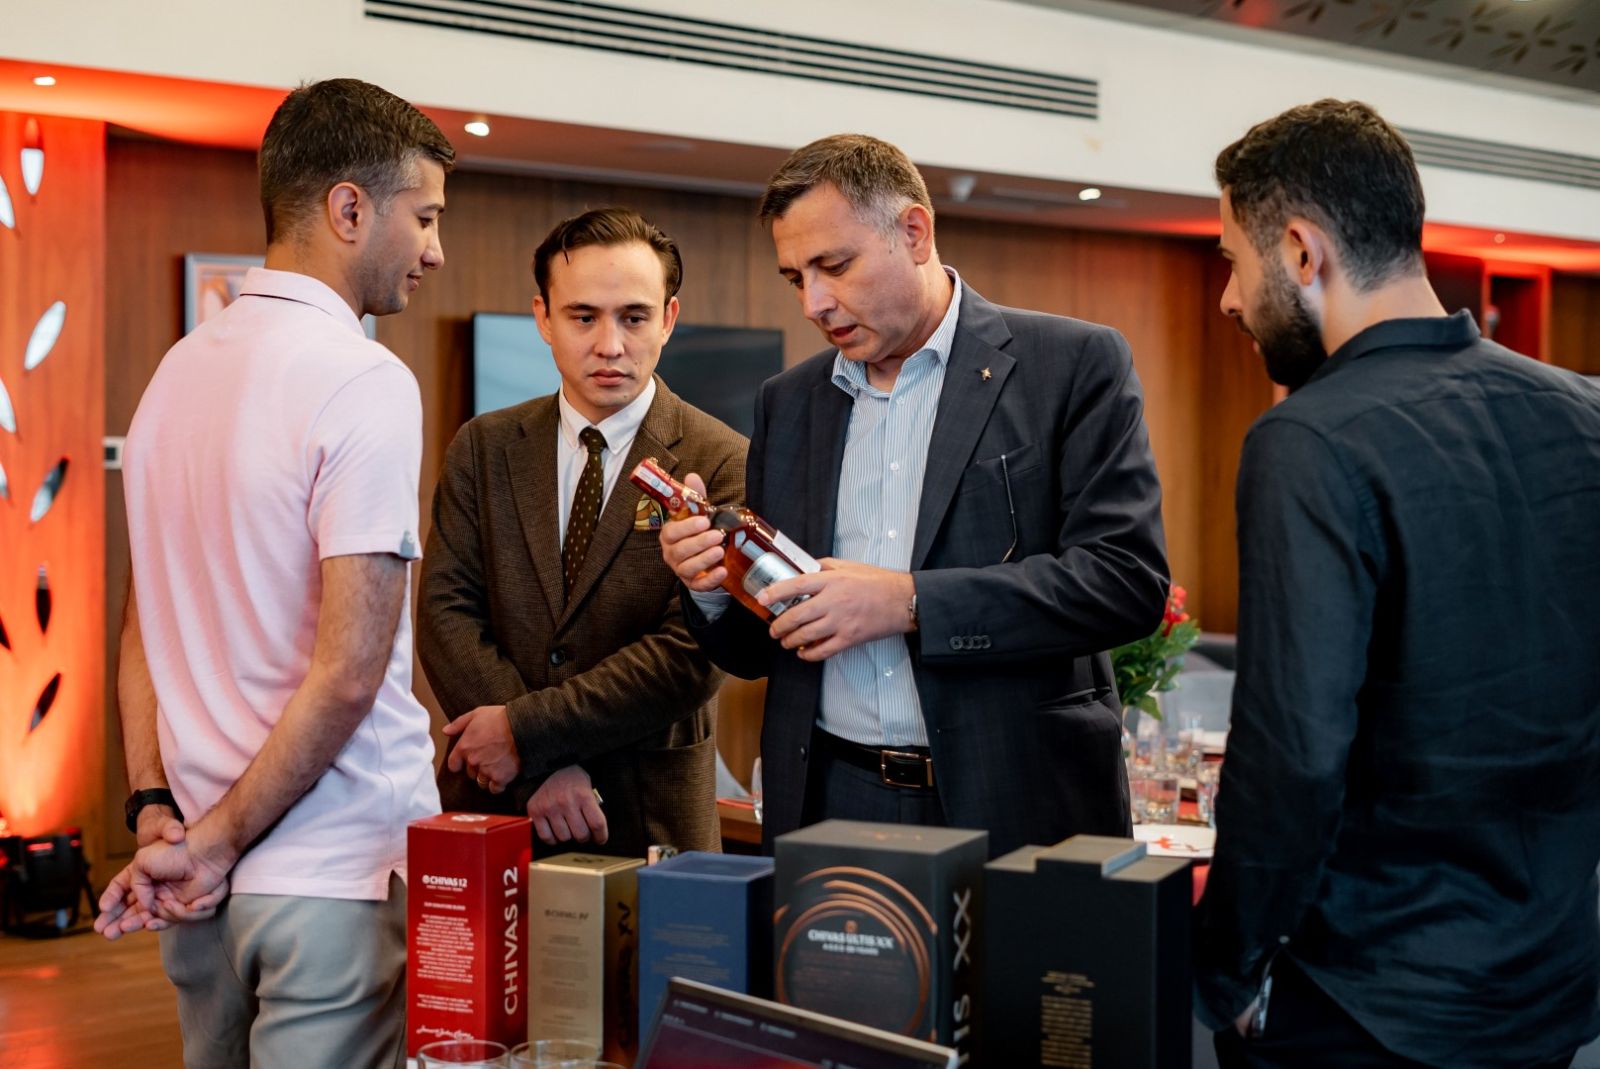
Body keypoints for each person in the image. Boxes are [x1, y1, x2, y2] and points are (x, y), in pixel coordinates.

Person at [1195, 99, 1600, 1069]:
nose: (1228, 299)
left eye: (1232, 262)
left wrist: (1228, 971)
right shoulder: (1584, 412)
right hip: (1548, 990)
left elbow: (1291, 755)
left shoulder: (1306, 438)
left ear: (1302, 251)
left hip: (1365, 1001)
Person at [659, 134, 1168, 858]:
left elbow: (1125, 582)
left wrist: (909, 603)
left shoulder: (1071, 364)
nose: (814, 303)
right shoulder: (789, 403)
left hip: (1017, 799)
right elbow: (760, 646)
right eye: (795, 277)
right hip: (828, 800)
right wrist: (713, 584)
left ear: (915, 232)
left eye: (836, 266)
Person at [94, 78, 452, 1068]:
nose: (434, 249)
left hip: (197, 876)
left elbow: (141, 626)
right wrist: (206, 840)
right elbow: (349, 671)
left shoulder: (175, 371)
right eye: (424, 217)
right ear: (349, 208)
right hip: (332, 877)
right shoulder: (366, 377)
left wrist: (156, 809)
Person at [418, 207, 746, 858]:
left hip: (647, 820)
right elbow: (445, 615)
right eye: (583, 317)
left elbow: (691, 652)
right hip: (495, 808)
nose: (610, 345)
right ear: (543, 318)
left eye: (634, 317)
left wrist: (526, 734)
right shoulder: (483, 447)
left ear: (668, 319)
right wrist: (538, 768)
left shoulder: (723, 460)